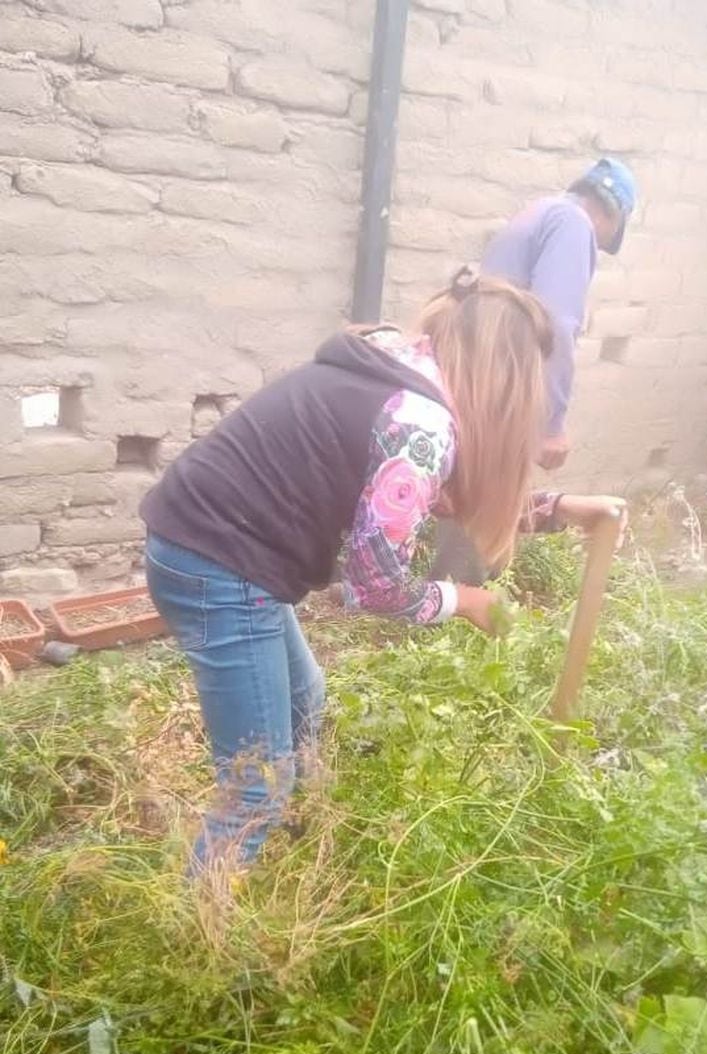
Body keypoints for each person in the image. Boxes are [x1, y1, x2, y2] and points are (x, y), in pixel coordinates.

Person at [139, 271, 626, 873]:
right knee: (255, 788)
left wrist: (558, 510)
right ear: (504, 378)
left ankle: (295, 844)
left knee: (304, 697)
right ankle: (202, 942)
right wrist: (465, 600)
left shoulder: (402, 366)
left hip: (206, 544)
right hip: (221, 570)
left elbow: (445, 494)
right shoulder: (418, 422)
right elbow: (376, 585)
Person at [431, 156, 638, 582]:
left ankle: (452, 595)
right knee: (489, 486)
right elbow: (556, 323)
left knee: (471, 478)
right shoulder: (574, 224)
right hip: (503, 375)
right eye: (607, 239)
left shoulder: (537, 212)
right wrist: (552, 423)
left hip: (475, 364)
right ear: (611, 213)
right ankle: (457, 608)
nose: (597, 248)